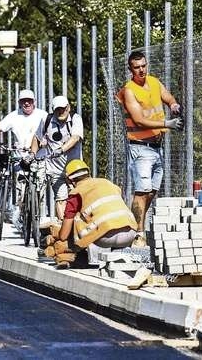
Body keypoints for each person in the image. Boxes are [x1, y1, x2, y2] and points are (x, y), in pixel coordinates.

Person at [116, 50, 184, 233]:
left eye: (143, 66)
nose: (141, 70)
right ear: (131, 69)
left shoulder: (153, 82)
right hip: (140, 148)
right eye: (136, 67)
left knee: (152, 191)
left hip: (156, 148)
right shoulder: (129, 90)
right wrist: (167, 123)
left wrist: (173, 105)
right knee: (142, 192)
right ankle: (137, 234)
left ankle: (136, 226)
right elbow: (138, 120)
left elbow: (167, 96)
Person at [40, 159, 139, 269]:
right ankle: (118, 257)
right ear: (88, 173)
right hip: (130, 233)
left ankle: (79, 259)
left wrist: (55, 235)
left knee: (75, 219)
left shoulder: (76, 193)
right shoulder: (107, 183)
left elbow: (63, 235)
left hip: (106, 237)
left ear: (69, 180)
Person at [0, 89, 48, 225]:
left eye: (29, 101)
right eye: (23, 101)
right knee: (21, 189)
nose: (27, 103)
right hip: (20, 158)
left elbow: (51, 131)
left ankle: (40, 221)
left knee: (41, 190)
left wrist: (46, 142)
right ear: (19, 102)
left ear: (34, 102)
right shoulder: (14, 116)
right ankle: (21, 213)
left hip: (39, 157)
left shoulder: (43, 115)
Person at [31, 95, 83, 220]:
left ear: (68, 107)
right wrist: (32, 154)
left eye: (63, 108)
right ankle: (64, 230)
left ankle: (79, 228)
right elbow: (36, 138)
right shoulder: (47, 120)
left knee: (78, 198)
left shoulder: (76, 118)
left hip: (74, 168)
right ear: (53, 110)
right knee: (61, 199)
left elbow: (75, 137)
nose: (61, 111)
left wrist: (61, 150)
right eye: (57, 109)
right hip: (55, 169)